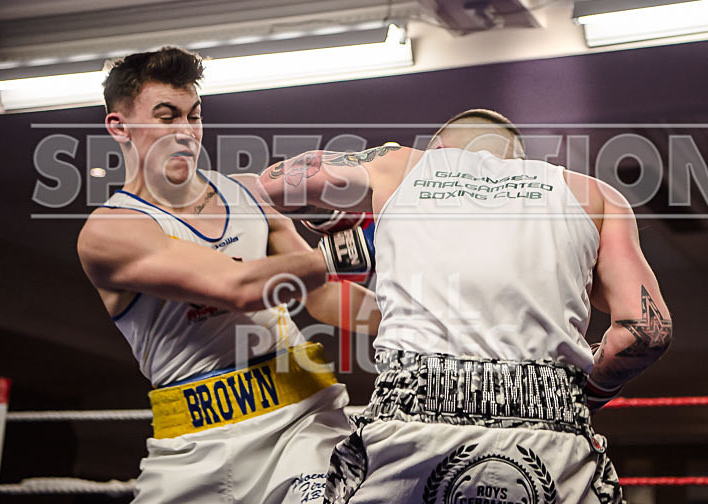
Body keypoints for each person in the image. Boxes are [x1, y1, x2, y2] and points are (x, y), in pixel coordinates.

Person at [258, 108, 673, 504]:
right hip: (551, 426)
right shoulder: (594, 194)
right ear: (521, 160)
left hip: (412, 418)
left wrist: (337, 214)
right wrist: (590, 392)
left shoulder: (402, 165)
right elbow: (646, 332)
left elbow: (276, 182)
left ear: (439, 149)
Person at [76, 47, 379, 504]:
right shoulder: (110, 230)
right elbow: (239, 288)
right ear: (119, 127)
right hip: (194, 446)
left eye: (193, 116)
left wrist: (414, 318)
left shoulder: (248, 194)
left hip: (303, 420)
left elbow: (319, 297)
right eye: (166, 117)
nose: (185, 132)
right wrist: (357, 247)